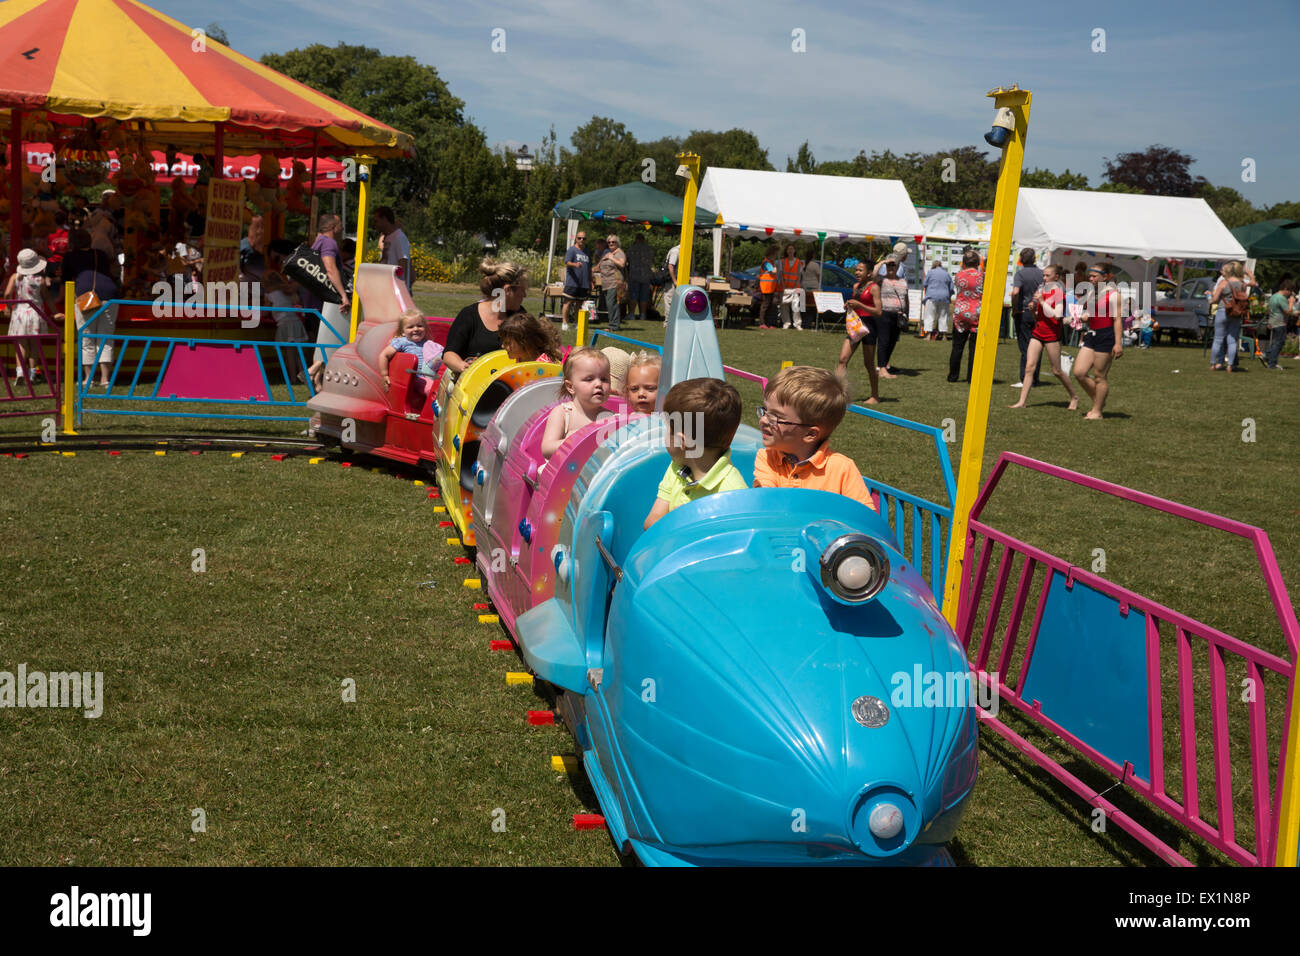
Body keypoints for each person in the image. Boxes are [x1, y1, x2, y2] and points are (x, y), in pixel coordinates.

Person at [752, 365, 877, 511]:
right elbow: (767, 504)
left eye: (775, 417)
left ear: (810, 434)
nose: (763, 420)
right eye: (765, 411)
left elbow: (864, 519)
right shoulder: (767, 458)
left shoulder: (842, 468)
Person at [643, 377, 746, 529]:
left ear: (682, 441)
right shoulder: (677, 468)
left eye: (668, 429)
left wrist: (685, 522)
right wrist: (675, 521)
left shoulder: (733, 492)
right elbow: (651, 522)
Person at [1009, 264, 1078, 410]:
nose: (1044, 278)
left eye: (1048, 276)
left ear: (1056, 277)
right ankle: (1022, 402)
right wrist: (1034, 310)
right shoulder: (1042, 291)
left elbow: (1057, 315)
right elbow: (1039, 317)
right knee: (1029, 367)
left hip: (1052, 335)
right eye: (1044, 276)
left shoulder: (1058, 293)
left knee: (1057, 370)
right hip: (1038, 332)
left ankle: (1074, 396)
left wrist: (1041, 302)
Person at [442, 259, 528, 374]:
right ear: (507, 290)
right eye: (522, 290)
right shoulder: (469, 315)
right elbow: (449, 354)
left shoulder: (520, 316)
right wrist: (464, 366)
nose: (525, 295)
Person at [62, 229, 120, 388]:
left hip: (85, 297)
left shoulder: (69, 257)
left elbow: (66, 282)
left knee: (86, 337)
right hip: (109, 295)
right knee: (105, 336)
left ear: (72, 242)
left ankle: (89, 378)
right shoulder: (100, 254)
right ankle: (105, 379)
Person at [541, 346, 612, 459]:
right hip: (561, 472)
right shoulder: (563, 413)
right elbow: (547, 449)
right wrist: (572, 440)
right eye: (589, 379)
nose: (599, 384)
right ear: (570, 386)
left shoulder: (609, 417)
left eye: (604, 379)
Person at [1073, 264, 1123, 420]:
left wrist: (1118, 343)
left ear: (1105, 277)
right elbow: (1091, 312)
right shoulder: (1091, 293)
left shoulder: (1114, 295)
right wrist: (1085, 316)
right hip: (1091, 335)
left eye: (1094, 276)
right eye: (1090, 276)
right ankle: (1098, 401)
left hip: (1106, 336)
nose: (1091, 278)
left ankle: (1097, 411)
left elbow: (1117, 320)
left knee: (1099, 376)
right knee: (1079, 372)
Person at [834, 262, 882, 404]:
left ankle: (875, 396)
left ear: (869, 273)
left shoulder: (874, 288)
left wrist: (859, 305)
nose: (857, 272)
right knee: (842, 359)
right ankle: (839, 394)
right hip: (855, 325)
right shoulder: (856, 287)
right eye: (856, 270)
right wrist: (849, 306)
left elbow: (878, 311)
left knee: (868, 364)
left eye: (861, 270)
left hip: (869, 327)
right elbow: (856, 305)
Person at [4, 249, 52, 383]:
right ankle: (32, 373)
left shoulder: (15, 277)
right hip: (36, 313)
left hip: (20, 313)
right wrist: (54, 312)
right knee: (34, 345)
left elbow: (7, 293)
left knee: (21, 344)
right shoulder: (40, 280)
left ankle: (20, 372)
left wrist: (8, 307)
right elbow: (47, 298)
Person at [262, 269, 309, 385]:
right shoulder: (287, 291)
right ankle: (303, 377)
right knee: (299, 353)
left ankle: (293, 378)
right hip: (296, 322)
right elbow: (296, 301)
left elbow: (265, 313)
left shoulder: (268, 296)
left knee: (289, 353)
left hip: (284, 324)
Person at [380, 308, 444, 392]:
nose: (416, 329)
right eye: (410, 327)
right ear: (403, 332)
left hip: (431, 376)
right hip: (414, 379)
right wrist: (384, 375)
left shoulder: (428, 343)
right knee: (432, 388)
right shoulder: (401, 341)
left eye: (420, 326)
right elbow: (384, 355)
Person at [1208, 260, 1253, 372]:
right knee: (1232, 340)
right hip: (1236, 313)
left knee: (1218, 339)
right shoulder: (1242, 284)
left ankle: (1213, 364)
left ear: (1227, 272)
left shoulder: (1223, 283)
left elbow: (1215, 300)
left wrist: (1208, 298)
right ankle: (1230, 365)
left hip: (1223, 311)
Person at [948, 249, 984, 383]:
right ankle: (971, 377)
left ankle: (953, 376)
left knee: (957, 346)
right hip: (976, 312)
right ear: (977, 263)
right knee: (974, 348)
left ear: (964, 263)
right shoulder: (982, 276)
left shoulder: (959, 275)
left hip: (960, 312)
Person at [1011, 248, 1044, 389]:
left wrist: (1014, 308)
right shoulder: (1042, 273)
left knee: (1025, 347)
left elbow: (1015, 292)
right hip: (1039, 311)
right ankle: (1034, 379)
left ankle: (1025, 379)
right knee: (1037, 345)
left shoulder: (1020, 274)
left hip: (1024, 311)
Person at [875, 257, 908, 376]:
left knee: (892, 341)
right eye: (889, 265)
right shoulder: (881, 280)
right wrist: (883, 262)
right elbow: (873, 274)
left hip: (898, 315)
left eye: (893, 265)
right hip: (884, 313)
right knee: (884, 341)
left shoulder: (903, 281)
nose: (891, 267)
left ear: (898, 267)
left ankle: (884, 365)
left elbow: (906, 298)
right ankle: (882, 368)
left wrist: (906, 314)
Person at [372, 206, 412, 293]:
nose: (374, 224)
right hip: (387, 291)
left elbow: (403, 265)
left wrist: (400, 289)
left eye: (376, 221)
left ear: (384, 219)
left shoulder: (399, 238)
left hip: (397, 293)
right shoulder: (387, 238)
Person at [498, 310, 562, 364]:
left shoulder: (544, 365)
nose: (502, 346)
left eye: (507, 343)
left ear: (525, 343)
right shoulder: (520, 358)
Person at [561, 231, 591, 331]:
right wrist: (575, 265)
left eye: (584, 238)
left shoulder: (587, 251)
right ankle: (564, 323)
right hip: (572, 282)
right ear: (576, 239)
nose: (582, 240)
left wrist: (591, 280)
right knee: (568, 303)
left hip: (583, 283)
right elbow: (567, 262)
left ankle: (576, 323)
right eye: (579, 238)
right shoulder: (572, 250)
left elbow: (589, 267)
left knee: (579, 304)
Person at [597, 234, 627, 332]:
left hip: (615, 282)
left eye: (613, 242)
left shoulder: (619, 253)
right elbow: (598, 266)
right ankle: (612, 324)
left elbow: (622, 264)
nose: (611, 243)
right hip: (606, 283)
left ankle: (614, 325)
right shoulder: (609, 253)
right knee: (610, 304)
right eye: (609, 242)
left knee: (612, 304)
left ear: (618, 243)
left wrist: (611, 258)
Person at [1264, 278, 1296, 370]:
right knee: (1279, 343)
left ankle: (1267, 355)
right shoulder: (1281, 298)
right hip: (1280, 323)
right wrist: (1291, 302)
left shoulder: (1273, 296)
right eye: (1290, 291)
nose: (1290, 294)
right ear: (1286, 289)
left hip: (1273, 322)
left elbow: (1269, 310)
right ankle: (1272, 363)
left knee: (1276, 342)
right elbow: (1287, 311)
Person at [921, 259, 953, 341]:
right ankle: (944, 336)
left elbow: (925, 284)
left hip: (931, 296)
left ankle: (928, 335)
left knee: (929, 316)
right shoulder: (946, 274)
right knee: (943, 316)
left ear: (933, 266)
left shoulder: (931, 272)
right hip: (944, 297)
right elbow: (951, 288)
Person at [626, 233, 654, 322]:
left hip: (634, 275)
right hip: (646, 276)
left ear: (636, 239)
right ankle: (643, 315)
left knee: (633, 296)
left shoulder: (631, 249)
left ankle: (632, 314)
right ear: (644, 239)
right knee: (644, 297)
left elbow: (627, 261)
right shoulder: (650, 250)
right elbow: (652, 260)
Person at [623, 349, 661, 414]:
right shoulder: (625, 420)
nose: (641, 394)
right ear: (627, 392)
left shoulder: (669, 421)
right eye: (634, 389)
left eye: (650, 388)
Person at [779, 243, 803, 329]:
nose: (790, 250)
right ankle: (786, 323)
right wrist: (784, 286)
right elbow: (781, 275)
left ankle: (797, 324)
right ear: (786, 251)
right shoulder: (783, 261)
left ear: (794, 251)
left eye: (792, 249)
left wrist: (796, 287)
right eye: (789, 249)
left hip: (795, 288)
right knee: (784, 306)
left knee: (796, 306)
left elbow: (799, 276)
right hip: (785, 287)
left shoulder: (799, 262)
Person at [757, 244, 781, 330]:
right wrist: (775, 268)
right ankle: (762, 323)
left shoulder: (770, 262)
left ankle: (769, 323)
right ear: (772, 253)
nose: (777, 256)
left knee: (771, 306)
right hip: (766, 288)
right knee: (765, 305)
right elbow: (773, 272)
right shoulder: (766, 262)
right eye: (776, 254)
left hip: (771, 288)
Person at [800, 253, 823, 328]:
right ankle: (815, 322)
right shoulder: (815, 265)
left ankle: (803, 322)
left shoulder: (802, 264)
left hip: (804, 287)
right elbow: (818, 276)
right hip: (814, 287)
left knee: (803, 306)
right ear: (813, 256)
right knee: (815, 307)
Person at [662, 242, 681, 322]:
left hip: (676, 280)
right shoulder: (676, 251)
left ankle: (673, 321)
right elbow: (671, 266)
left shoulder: (681, 251)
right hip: (671, 281)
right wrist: (675, 281)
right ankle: (668, 322)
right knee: (669, 300)